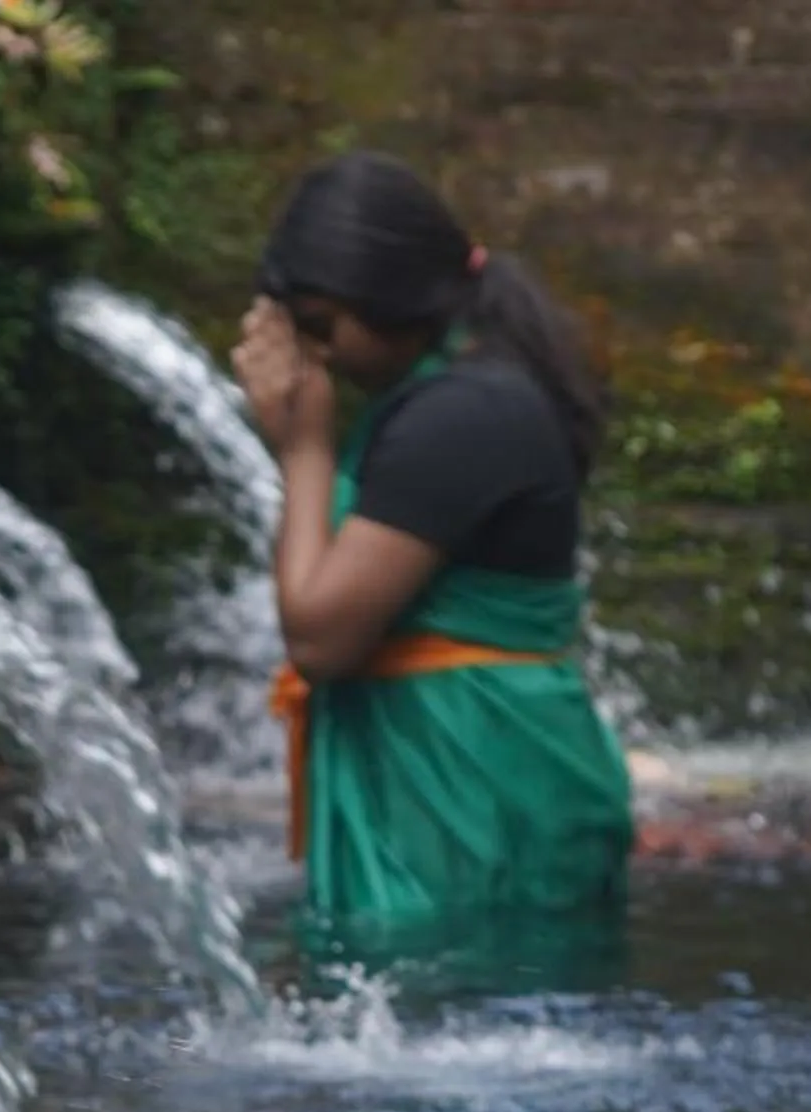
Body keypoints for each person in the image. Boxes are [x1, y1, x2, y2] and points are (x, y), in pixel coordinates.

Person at [233, 152, 633, 976]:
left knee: (457, 1012)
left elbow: (321, 640)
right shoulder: (465, 387)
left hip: (472, 789)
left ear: (396, 305)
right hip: (472, 772)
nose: (318, 355)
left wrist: (304, 448)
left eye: (322, 326)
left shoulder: (461, 415)